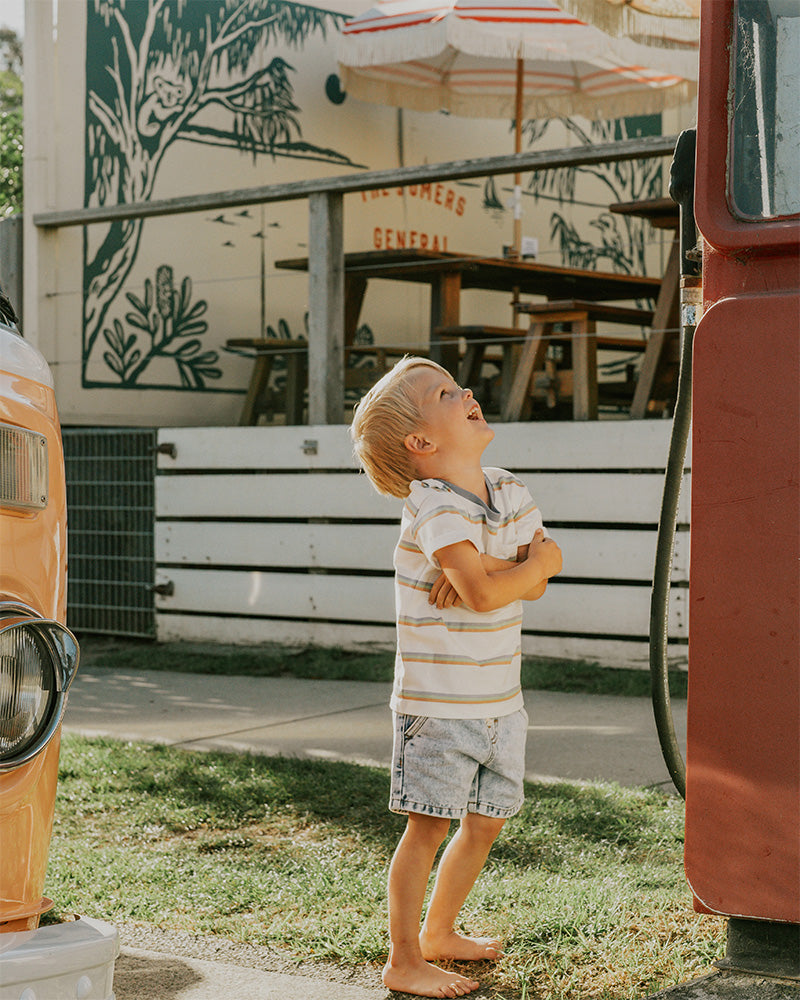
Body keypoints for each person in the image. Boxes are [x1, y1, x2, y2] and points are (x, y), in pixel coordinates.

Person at [350, 356, 562, 998]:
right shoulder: (433, 505)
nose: (467, 391)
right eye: (445, 392)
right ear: (422, 443)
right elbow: (504, 583)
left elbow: (526, 584)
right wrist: (530, 565)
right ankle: (404, 958)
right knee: (429, 826)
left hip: (501, 699)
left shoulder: (508, 490)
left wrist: (509, 575)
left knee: (487, 822)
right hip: (438, 705)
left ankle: (441, 933)